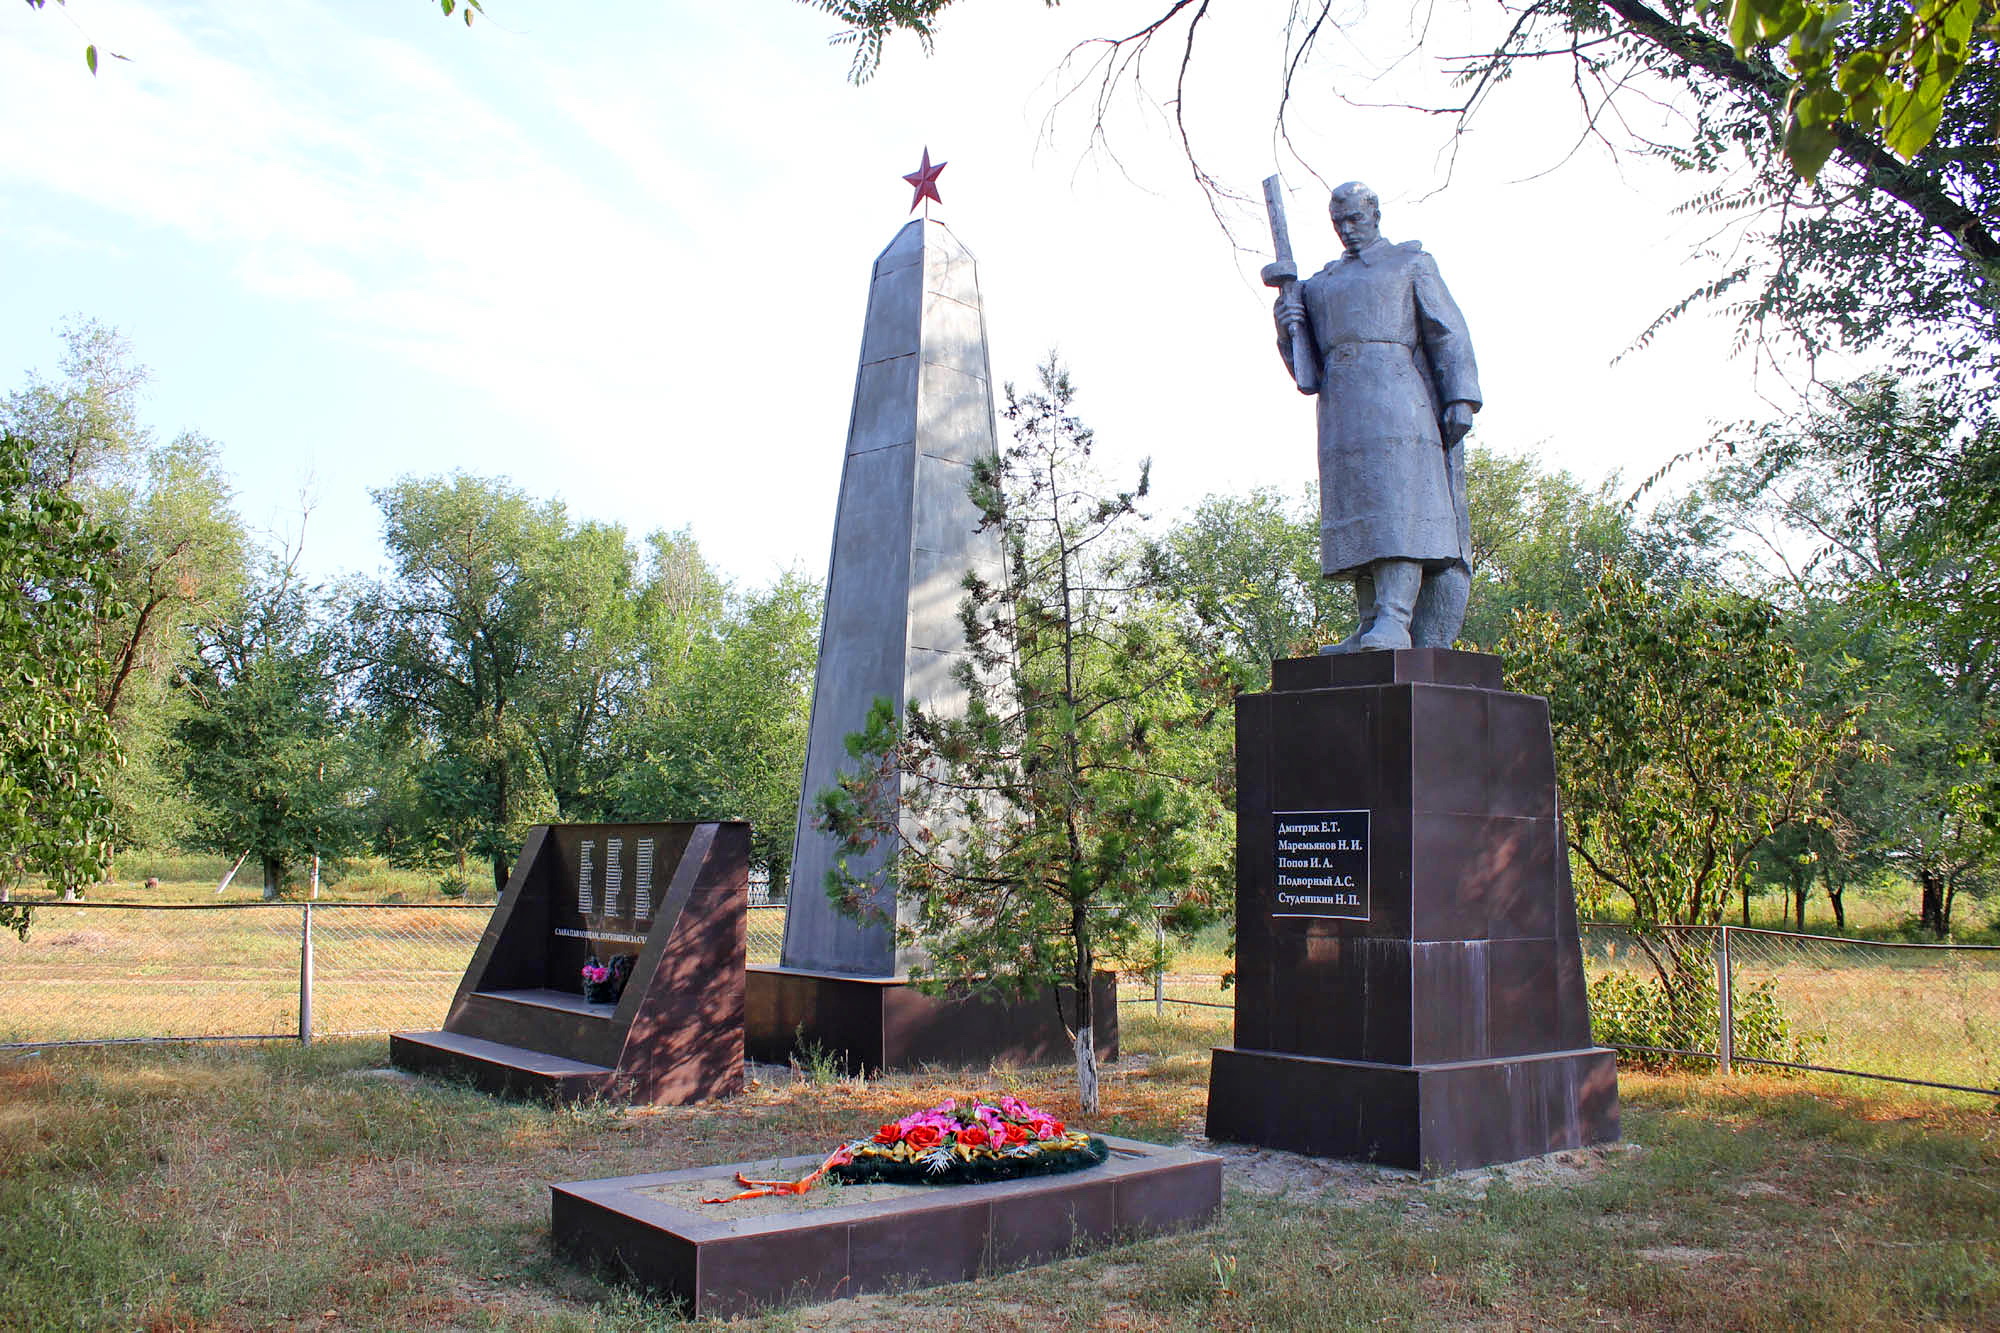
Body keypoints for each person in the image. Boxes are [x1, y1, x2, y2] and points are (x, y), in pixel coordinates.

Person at [1275, 181, 1481, 652]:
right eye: (1338, 222)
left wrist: (1459, 397)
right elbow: (1306, 368)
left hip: (1398, 400)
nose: (1346, 230)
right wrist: (1287, 321)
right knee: (1359, 512)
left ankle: (1396, 619)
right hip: (1341, 406)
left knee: (1397, 509)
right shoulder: (1321, 284)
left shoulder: (1410, 264)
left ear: (1375, 215)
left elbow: (1447, 330)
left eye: (1355, 219)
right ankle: (1370, 622)